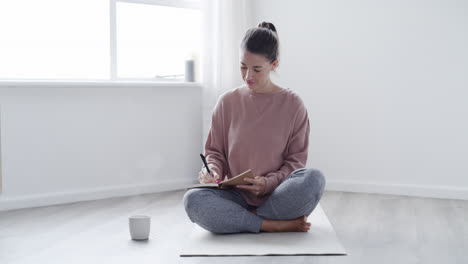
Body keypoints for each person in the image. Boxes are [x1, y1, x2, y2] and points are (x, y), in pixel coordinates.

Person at [183, 22, 326, 234]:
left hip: (277, 195)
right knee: (193, 200)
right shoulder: (227, 102)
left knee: (314, 179)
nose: (248, 76)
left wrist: (267, 183)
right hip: (234, 196)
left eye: (257, 69)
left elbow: (295, 162)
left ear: (274, 64)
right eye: (243, 66)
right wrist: (211, 171)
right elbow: (214, 152)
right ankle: (270, 224)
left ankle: (242, 221)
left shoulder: (293, 105)